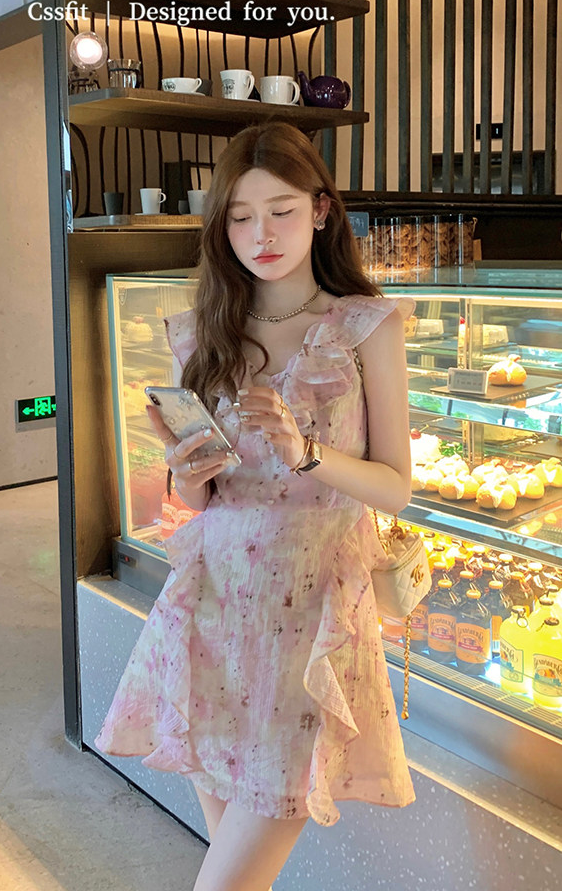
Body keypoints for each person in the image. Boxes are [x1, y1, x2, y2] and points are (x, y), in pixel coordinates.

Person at [95, 122, 416, 891]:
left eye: (280, 211)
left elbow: (397, 486)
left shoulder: (366, 327)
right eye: (240, 216)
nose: (260, 235)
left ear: (321, 210)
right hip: (214, 605)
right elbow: (200, 497)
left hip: (313, 615)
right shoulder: (203, 335)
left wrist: (308, 452)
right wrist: (186, 472)